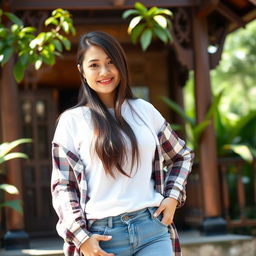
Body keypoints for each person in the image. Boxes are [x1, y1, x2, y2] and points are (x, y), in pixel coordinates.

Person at [51, 31, 194, 256]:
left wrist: (173, 197)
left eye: (110, 62)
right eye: (94, 65)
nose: (104, 72)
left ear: (121, 64)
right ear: (81, 70)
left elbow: (182, 156)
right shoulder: (72, 121)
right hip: (101, 238)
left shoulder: (144, 111)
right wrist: (81, 237)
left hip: (152, 230)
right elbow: (63, 186)